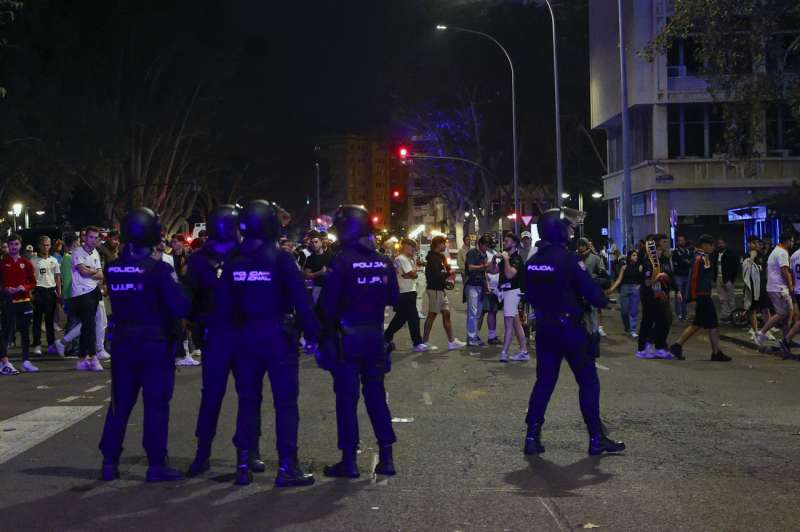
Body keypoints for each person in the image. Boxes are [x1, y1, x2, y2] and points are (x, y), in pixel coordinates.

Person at [225, 200, 319, 487]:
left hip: (244, 337)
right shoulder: (281, 260)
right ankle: (287, 466)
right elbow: (303, 303)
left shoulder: (234, 261)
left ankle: (244, 461)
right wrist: (314, 338)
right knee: (286, 404)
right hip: (278, 336)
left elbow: (222, 305)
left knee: (248, 401)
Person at [98, 207, 191, 482]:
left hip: (124, 342)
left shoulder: (113, 268)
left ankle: (109, 461)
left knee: (120, 404)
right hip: (154, 343)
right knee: (156, 404)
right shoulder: (160, 269)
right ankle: (156, 464)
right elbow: (180, 305)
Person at [523, 208, 624, 456]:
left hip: (545, 329)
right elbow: (592, 292)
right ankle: (596, 439)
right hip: (569, 329)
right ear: (558, 230)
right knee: (588, 382)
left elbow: (527, 291)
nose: (571, 231)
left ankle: (532, 437)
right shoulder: (569, 259)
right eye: (568, 227)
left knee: (544, 383)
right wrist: (603, 299)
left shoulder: (533, 262)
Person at [317, 205, 399, 478]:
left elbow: (327, 306)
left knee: (347, 401)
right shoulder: (384, 261)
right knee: (376, 397)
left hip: (346, 339)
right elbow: (393, 298)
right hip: (374, 336)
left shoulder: (341, 262)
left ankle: (349, 461)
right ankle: (386, 458)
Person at [185, 205, 259, 479]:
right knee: (219, 396)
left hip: (236, 334)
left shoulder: (247, 255)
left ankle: (250, 451)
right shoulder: (202, 260)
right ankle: (206, 452)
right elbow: (190, 298)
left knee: (245, 396)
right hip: (221, 334)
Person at [669, 235, 731, 361]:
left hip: (702, 295)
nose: (713, 247)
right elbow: (698, 279)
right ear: (705, 245)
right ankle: (714, 352)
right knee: (706, 323)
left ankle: (714, 351)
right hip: (702, 296)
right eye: (711, 245)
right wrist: (695, 297)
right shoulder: (702, 258)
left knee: (703, 323)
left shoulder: (699, 257)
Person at [755, 231, 796, 355]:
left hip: (773, 286)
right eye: (792, 240)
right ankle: (762, 333)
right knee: (783, 313)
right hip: (779, 288)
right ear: (787, 241)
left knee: (787, 315)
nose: (793, 243)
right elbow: (785, 271)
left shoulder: (775, 251)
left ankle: (786, 340)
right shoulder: (782, 253)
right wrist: (790, 286)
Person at [70, 226, 105, 371]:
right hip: (81, 293)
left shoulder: (95, 252)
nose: (94, 240)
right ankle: (93, 357)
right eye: (91, 237)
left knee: (87, 325)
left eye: (96, 237)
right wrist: (93, 271)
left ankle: (81, 358)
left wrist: (91, 271)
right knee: (89, 325)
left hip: (93, 291)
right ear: (84, 237)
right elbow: (83, 271)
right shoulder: (78, 251)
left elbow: (100, 275)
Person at [422, 236, 465, 351]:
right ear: (438, 244)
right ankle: (424, 342)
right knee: (432, 315)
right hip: (434, 289)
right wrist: (449, 274)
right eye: (444, 244)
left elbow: (447, 268)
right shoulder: (432, 258)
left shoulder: (440, 257)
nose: (445, 246)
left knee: (446, 313)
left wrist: (449, 271)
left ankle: (452, 341)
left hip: (440, 289)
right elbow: (437, 275)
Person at [383, 238, 427, 352]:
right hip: (405, 292)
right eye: (413, 247)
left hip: (407, 291)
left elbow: (409, 275)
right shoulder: (402, 259)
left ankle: (385, 337)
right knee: (413, 318)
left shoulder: (406, 259)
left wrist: (411, 273)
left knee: (400, 319)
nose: (414, 250)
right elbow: (411, 274)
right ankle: (417, 343)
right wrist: (413, 272)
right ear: (406, 246)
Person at [1, 234, 36, 373]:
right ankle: (4, 362)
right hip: (8, 302)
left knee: (25, 332)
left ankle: (26, 361)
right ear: (8, 246)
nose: (14, 247)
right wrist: (5, 289)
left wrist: (25, 288)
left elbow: (33, 282)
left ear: (20, 245)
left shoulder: (26, 263)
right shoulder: (2, 263)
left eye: (16, 244)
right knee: (6, 333)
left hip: (24, 302)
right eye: (11, 245)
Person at [636, 234, 673, 359]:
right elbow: (647, 282)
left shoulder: (664, 261)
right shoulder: (648, 263)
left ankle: (659, 346)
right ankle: (642, 348)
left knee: (664, 320)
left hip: (661, 295)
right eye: (658, 250)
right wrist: (657, 277)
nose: (660, 252)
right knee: (648, 320)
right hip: (649, 296)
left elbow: (669, 276)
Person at [495, 232, 528, 362]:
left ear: (513, 243)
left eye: (506, 241)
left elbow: (509, 275)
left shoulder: (516, 259)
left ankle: (504, 352)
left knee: (508, 324)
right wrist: (493, 259)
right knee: (516, 323)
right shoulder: (506, 257)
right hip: (507, 292)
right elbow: (492, 270)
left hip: (513, 292)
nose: (504, 243)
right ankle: (524, 351)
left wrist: (506, 259)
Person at [31, 236, 61, 356]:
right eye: (43, 245)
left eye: (48, 245)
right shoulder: (33, 261)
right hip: (38, 292)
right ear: (39, 245)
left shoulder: (54, 260)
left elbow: (57, 277)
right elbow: (29, 278)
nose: (46, 247)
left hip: (50, 292)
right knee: (37, 320)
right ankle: (37, 345)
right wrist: (30, 294)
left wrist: (59, 292)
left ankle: (50, 345)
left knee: (50, 321)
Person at [742, 236, 774, 342]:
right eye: (754, 243)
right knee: (753, 310)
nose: (756, 245)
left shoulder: (762, 256)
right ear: (749, 244)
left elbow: (766, 270)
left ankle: (767, 331)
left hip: (763, 287)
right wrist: (751, 258)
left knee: (766, 309)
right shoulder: (746, 256)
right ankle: (755, 332)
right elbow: (745, 272)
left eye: (757, 243)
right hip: (752, 288)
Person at [576, 237, 608, 339]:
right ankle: (584, 334)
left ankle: (594, 333)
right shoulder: (574, 257)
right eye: (579, 245)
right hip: (578, 290)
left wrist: (597, 275)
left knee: (593, 312)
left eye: (583, 245)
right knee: (581, 314)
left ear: (586, 246)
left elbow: (602, 271)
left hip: (591, 289)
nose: (581, 247)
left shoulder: (595, 258)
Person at [607, 250, 642, 338]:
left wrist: (639, 286)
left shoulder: (640, 267)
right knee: (624, 311)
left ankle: (633, 330)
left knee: (633, 310)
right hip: (625, 288)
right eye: (634, 255)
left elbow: (643, 278)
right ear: (630, 257)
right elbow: (619, 280)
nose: (636, 257)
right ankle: (627, 327)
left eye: (636, 255)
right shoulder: (624, 267)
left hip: (635, 288)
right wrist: (611, 289)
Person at [464, 235, 492, 346]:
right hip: (471, 284)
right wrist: (484, 265)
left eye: (488, 245)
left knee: (478, 313)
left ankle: (474, 335)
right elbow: (470, 267)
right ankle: (471, 337)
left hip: (480, 285)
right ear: (480, 244)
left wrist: (486, 286)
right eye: (485, 245)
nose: (486, 247)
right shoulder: (472, 253)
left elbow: (484, 272)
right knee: (472, 312)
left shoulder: (484, 254)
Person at [478, 233, 502, 346]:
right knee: (481, 312)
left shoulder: (494, 253)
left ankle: (491, 336)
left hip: (495, 288)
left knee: (493, 311)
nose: (493, 243)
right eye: (491, 241)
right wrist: (485, 278)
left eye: (493, 241)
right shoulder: (483, 254)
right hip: (486, 287)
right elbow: (483, 269)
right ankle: (475, 335)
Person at [711, 237, 740, 322]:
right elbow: (714, 266)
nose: (720, 245)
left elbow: (735, 266)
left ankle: (733, 316)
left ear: (725, 244)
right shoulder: (716, 253)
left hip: (728, 279)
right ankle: (725, 315)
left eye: (722, 243)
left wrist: (732, 278)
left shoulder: (730, 253)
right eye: (719, 243)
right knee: (722, 299)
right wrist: (714, 278)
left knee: (731, 298)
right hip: (719, 278)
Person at [303, 231, 332, 305]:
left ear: (321, 242)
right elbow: (307, 275)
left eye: (316, 242)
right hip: (317, 289)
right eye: (312, 242)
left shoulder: (330, 256)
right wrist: (320, 272)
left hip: (330, 287)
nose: (314, 244)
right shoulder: (310, 258)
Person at [671, 235, 694, 321]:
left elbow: (690, 261)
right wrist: (685, 261)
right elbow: (678, 262)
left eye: (683, 240)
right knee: (679, 295)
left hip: (686, 275)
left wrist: (684, 261)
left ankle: (685, 314)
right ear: (677, 242)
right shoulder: (676, 252)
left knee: (685, 296)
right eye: (680, 240)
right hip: (678, 276)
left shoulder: (688, 251)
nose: (681, 242)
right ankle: (679, 314)